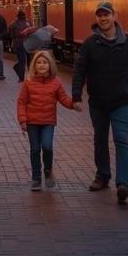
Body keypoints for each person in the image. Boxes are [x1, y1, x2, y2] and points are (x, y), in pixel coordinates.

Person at [72, 2, 128, 205]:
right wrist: (76, 95)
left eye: (106, 15)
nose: (103, 19)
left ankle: (123, 183)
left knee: (121, 140)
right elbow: (80, 70)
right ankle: (102, 176)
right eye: (100, 16)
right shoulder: (89, 44)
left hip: (121, 101)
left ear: (115, 16)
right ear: (97, 19)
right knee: (100, 139)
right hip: (98, 101)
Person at [17, 51, 81, 191]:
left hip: (48, 122)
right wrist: (22, 120)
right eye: (39, 63)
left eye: (44, 62)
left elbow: (63, 98)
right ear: (34, 65)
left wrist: (73, 104)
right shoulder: (28, 83)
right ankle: (36, 178)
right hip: (32, 122)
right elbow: (21, 102)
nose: (42, 65)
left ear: (50, 65)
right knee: (34, 150)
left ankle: (48, 170)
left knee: (47, 146)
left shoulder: (56, 83)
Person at [10, 10, 32, 82]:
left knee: (22, 61)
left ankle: (21, 77)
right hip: (28, 43)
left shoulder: (14, 24)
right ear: (24, 16)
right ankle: (30, 75)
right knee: (29, 60)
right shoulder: (28, 23)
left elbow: (11, 34)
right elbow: (32, 32)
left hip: (19, 44)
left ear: (17, 16)